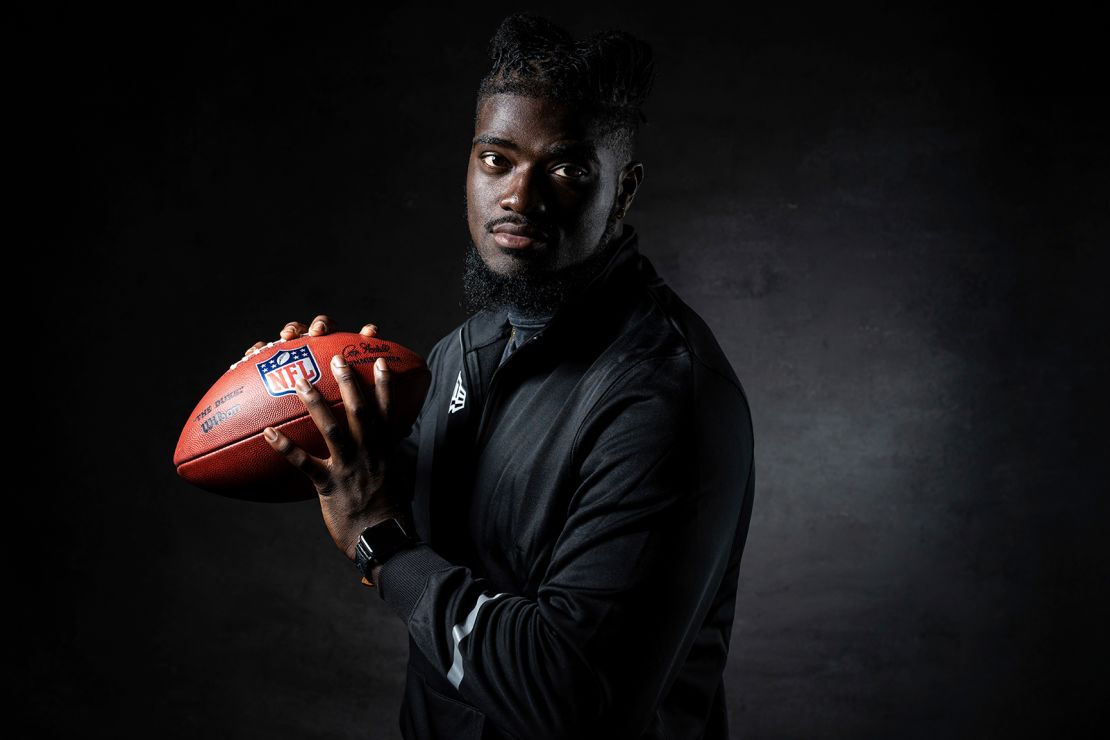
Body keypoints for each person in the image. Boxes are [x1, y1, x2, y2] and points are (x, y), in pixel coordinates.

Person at [246, 13, 755, 740]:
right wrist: (299, 405)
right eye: (497, 160)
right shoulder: (466, 349)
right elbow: (388, 503)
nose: (521, 197)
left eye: (569, 168)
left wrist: (381, 543)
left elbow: (571, 695)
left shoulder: (664, 397)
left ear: (625, 188)